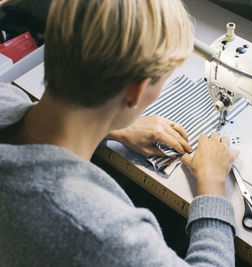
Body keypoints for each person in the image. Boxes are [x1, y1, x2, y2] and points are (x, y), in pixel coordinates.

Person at [0, 0, 239, 266]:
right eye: (163, 79)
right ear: (135, 91)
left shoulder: (4, 94)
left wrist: (111, 128)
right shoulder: (102, 235)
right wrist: (212, 186)